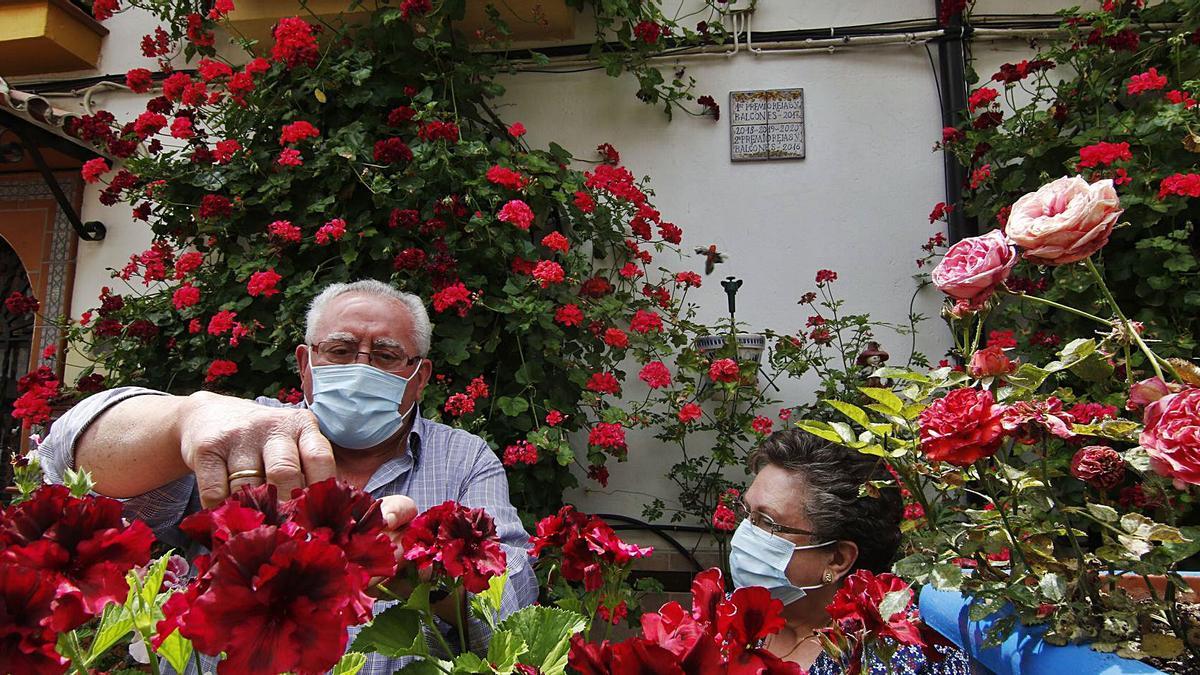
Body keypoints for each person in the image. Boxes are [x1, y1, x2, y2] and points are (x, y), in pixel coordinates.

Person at [37, 279, 538, 671]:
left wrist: (422, 575)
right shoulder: (241, 432)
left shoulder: (464, 459)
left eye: (385, 356)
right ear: (306, 363)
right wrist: (186, 420)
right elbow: (64, 462)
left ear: (419, 376)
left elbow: (513, 615)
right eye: (339, 351)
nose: (361, 368)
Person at [729, 428, 971, 674]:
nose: (744, 534)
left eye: (767, 522)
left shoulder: (901, 658)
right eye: (746, 511)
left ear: (837, 559)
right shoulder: (728, 616)